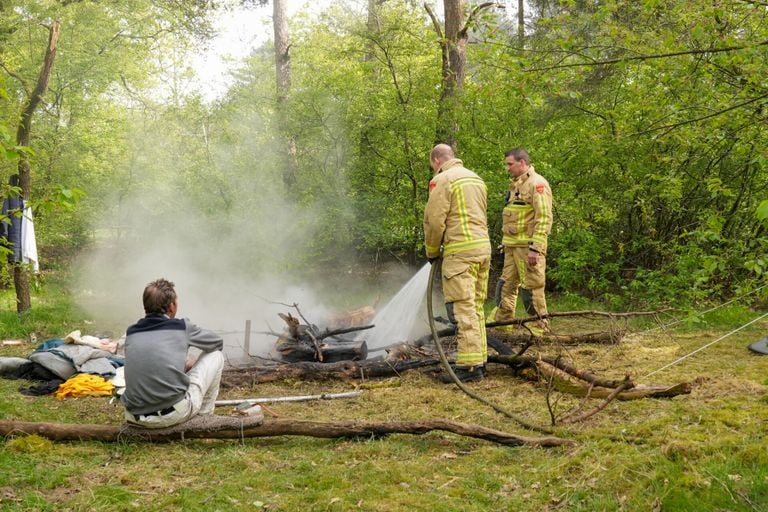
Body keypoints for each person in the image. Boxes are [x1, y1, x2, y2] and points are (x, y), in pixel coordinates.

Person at [424, 144, 492, 383]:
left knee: (462, 310)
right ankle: (480, 360)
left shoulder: (443, 179)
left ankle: (470, 367)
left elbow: (434, 220)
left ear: (436, 160)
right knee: (475, 308)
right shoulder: (476, 179)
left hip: (460, 254)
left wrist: (431, 251)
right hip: (482, 250)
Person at [122, 278, 225, 428]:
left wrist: (180, 362)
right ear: (171, 306)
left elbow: (151, 361)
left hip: (134, 417)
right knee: (216, 356)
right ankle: (204, 417)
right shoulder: (181, 327)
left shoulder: (132, 332)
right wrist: (192, 361)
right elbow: (217, 343)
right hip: (172, 415)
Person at [494, 147, 553, 335]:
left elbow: (543, 218)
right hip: (511, 247)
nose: (507, 168)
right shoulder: (516, 185)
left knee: (532, 289)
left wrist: (536, 249)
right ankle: (503, 326)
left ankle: (539, 330)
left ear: (522, 163)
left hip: (528, 249)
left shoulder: (537, 185)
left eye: (510, 164)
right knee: (505, 286)